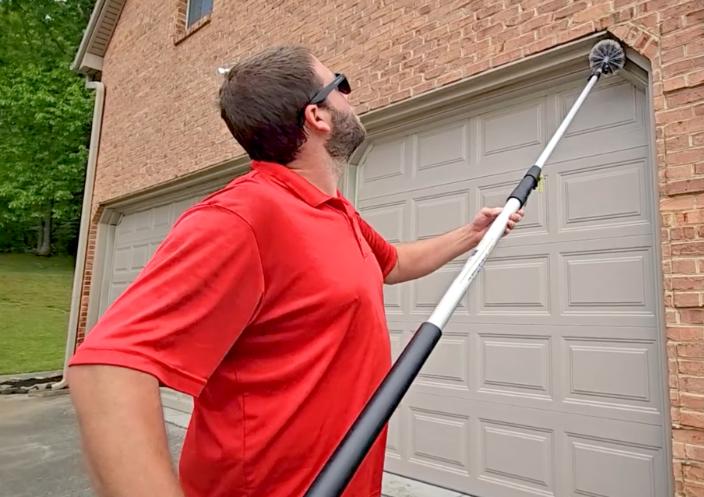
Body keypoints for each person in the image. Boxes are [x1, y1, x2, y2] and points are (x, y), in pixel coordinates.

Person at [68, 45, 524, 497]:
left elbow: (394, 263)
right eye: (340, 84)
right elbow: (108, 372)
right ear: (317, 117)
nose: (351, 94)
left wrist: (474, 233)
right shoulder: (245, 215)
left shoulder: (335, 211)